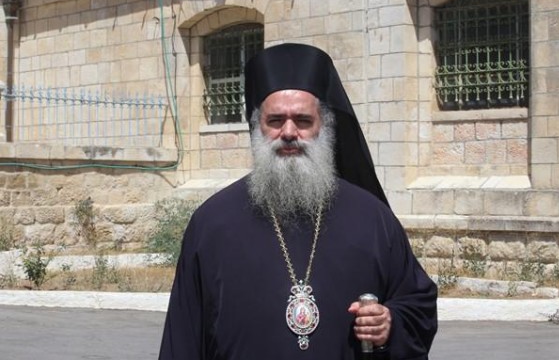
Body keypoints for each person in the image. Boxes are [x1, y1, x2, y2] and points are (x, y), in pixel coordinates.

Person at [159, 43, 437, 359]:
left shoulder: (372, 219)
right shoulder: (211, 224)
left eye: (303, 120)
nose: (289, 132)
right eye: (275, 120)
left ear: (324, 126)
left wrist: (390, 324)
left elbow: (419, 306)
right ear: (257, 126)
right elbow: (182, 337)